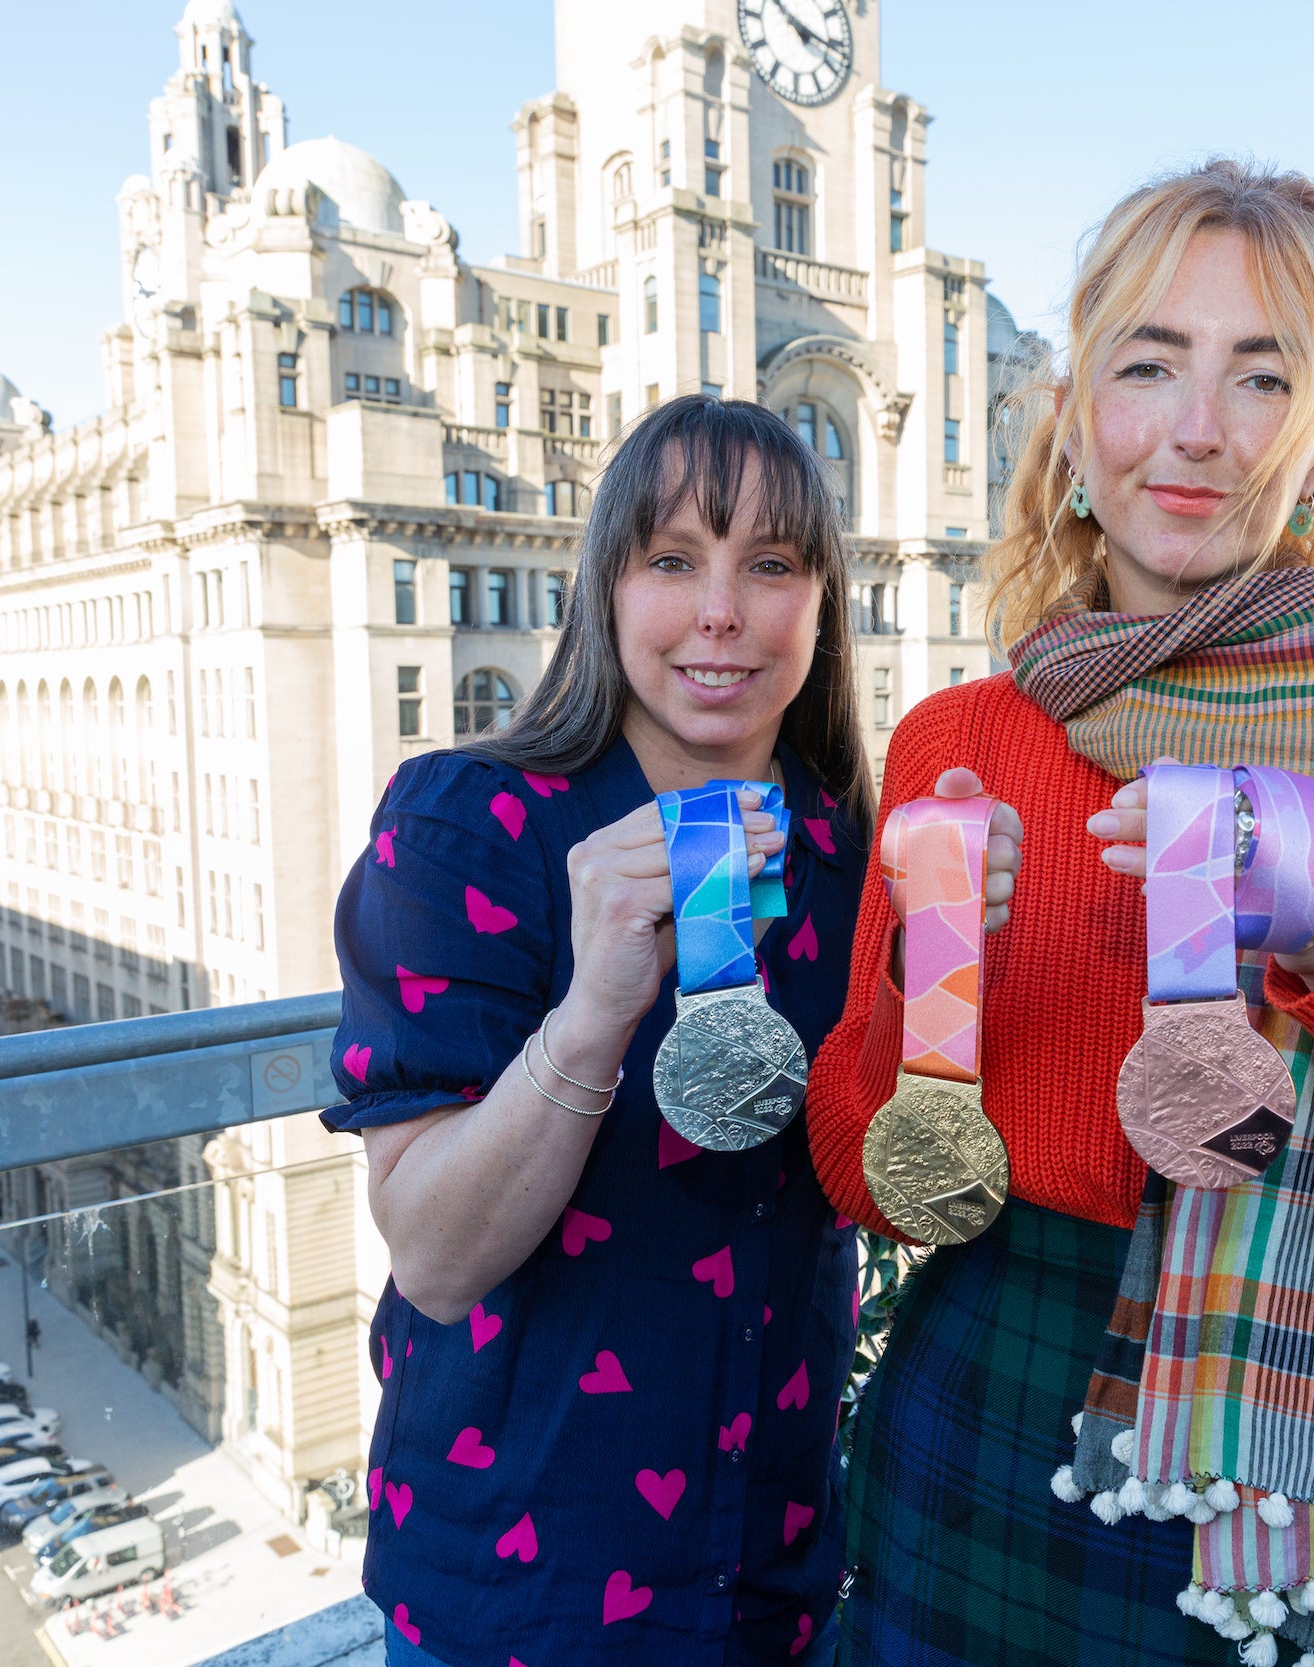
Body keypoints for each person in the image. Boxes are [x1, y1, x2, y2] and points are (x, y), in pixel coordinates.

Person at [808, 161, 1314, 1666]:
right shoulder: (961, 740)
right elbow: (880, 1188)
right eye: (1150, 364)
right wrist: (926, 973)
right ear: (1072, 419)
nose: (1199, 428)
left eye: (1261, 378)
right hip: (980, 1430)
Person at [322, 398, 875, 1667]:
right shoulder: (472, 827)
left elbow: (875, 1172)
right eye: (673, 560)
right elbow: (437, 1256)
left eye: (772, 564)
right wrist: (592, 1013)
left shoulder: (843, 848)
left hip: (774, 1576)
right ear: (605, 586)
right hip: (524, 1587)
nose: (722, 611)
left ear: (820, 601)